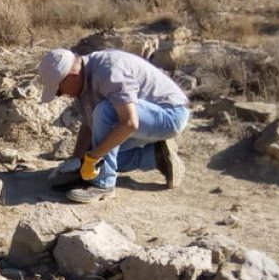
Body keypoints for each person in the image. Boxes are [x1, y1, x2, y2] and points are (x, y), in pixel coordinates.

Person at [38, 48, 188, 204]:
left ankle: (104, 185)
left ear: (72, 75)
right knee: (98, 158)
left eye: (59, 91)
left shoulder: (108, 71)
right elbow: (88, 125)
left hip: (171, 114)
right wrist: (77, 159)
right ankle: (155, 155)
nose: (61, 95)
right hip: (145, 117)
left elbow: (129, 123)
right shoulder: (83, 81)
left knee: (105, 111)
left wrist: (93, 157)